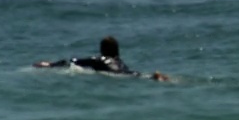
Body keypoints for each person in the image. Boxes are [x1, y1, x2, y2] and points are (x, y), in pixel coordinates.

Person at [33, 36, 169, 81]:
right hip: (128, 73)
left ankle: (153, 77)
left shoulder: (99, 60)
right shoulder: (119, 61)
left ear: (102, 50)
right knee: (136, 76)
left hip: (116, 75)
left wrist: (49, 65)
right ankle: (153, 77)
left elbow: (71, 61)